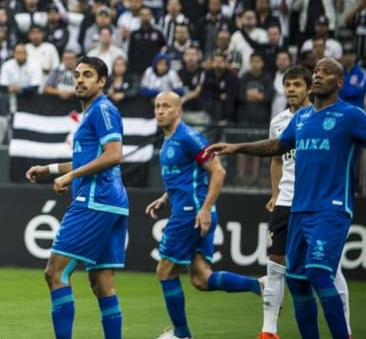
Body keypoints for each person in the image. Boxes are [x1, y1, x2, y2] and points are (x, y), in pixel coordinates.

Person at [207, 58, 359, 339]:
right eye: (317, 71)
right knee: (297, 281)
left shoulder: (351, 115)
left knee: (318, 273)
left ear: (339, 82)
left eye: (326, 72)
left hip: (331, 208)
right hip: (298, 209)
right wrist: (236, 147)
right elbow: (276, 146)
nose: (318, 75)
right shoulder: (301, 118)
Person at [145, 91, 262, 339]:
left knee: (165, 270)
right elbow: (185, 177)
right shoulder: (169, 139)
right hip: (190, 210)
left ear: (178, 110)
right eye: (157, 106)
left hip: (190, 213)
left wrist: (205, 208)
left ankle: (181, 334)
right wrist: (165, 198)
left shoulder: (189, 137)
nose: (160, 111)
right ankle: (259, 285)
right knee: (201, 279)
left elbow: (218, 171)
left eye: (166, 106)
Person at [25, 56, 126, 339]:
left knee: (55, 273)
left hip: (95, 199)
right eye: (77, 75)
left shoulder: (102, 109)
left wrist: (70, 177)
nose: (80, 80)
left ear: (102, 81)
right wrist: (50, 169)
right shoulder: (93, 112)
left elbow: (114, 155)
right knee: (102, 283)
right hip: (111, 202)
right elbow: (87, 159)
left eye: (88, 75)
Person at [259, 66, 351, 339]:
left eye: (297, 84)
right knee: (277, 264)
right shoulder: (279, 121)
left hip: (318, 202)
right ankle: (268, 330)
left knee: (326, 270)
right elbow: (276, 158)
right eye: (287, 85)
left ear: (308, 88)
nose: (291, 89)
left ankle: (344, 328)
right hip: (287, 201)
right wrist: (275, 194)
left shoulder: (325, 117)